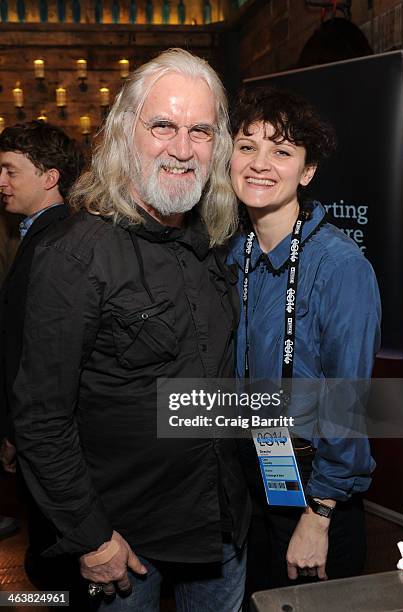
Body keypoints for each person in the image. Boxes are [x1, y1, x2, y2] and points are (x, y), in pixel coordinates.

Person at [10, 49, 250, 611]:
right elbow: (41, 418)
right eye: (163, 126)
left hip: (221, 531)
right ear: (124, 132)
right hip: (126, 548)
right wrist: (90, 536)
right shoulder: (74, 257)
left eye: (201, 131)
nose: (183, 149)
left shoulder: (212, 242)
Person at [228, 87, 381, 599]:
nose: (260, 164)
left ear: (307, 172)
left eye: (282, 151)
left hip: (317, 491)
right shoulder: (231, 254)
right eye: (247, 146)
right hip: (248, 481)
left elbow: (348, 404)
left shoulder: (340, 268)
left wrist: (318, 517)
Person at [0, 121, 85, 593]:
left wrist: (14, 429)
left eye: (11, 170)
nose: (1, 182)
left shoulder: (57, 242)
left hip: (45, 430)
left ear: (49, 177)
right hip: (34, 427)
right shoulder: (35, 234)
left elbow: (36, 353)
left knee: (55, 558)